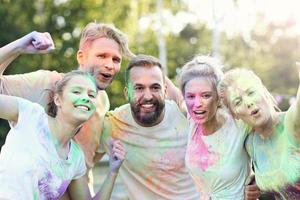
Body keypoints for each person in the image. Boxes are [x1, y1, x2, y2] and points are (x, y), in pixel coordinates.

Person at [0, 22, 134, 194]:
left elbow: (87, 161)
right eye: (102, 56)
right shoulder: (46, 85)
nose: (110, 64)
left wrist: (113, 170)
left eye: (116, 59)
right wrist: (19, 47)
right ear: (81, 57)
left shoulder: (101, 102)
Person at [0, 70, 125, 199]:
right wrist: (14, 49)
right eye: (76, 91)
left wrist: (113, 172)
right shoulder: (30, 114)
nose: (86, 98)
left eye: (91, 95)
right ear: (58, 100)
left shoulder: (76, 158)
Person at [97, 54, 199, 199]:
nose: (148, 96)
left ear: (164, 91)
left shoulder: (186, 116)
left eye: (155, 87)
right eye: (139, 88)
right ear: (127, 93)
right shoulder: (112, 125)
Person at [218, 66, 300, 199]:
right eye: (238, 102)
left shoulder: (291, 123)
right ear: (235, 115)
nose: (248, 103)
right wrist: (250, 185)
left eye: (251, 93)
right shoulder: (251, 143)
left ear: (264, 91)